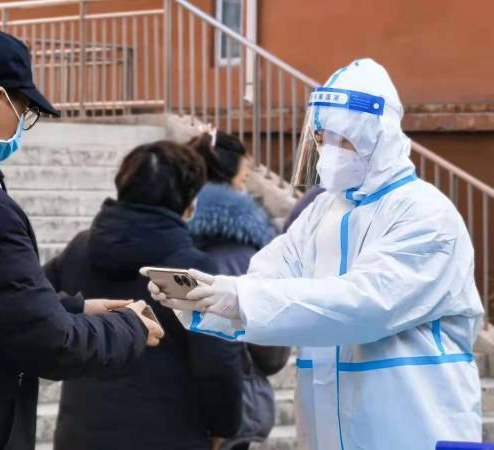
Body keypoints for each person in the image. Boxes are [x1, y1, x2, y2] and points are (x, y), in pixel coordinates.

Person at [147, 59, 483, 450]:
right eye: (322, 139)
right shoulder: (323, 212)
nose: (329, 151)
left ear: (382, 137)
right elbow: (271, 274)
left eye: (344, 140)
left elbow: (366, 303)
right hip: (329, 434)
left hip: (415, 431)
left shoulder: (426, 215)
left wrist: (243, 298)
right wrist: (212, 299)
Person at [0, 26, 162, 450]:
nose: (23, 124)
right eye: (24, 111)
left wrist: (76, 307)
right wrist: (128, 328)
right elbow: (49, 344)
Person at [45, 140, 244, 450]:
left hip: (79, 432)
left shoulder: (79, 250)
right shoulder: (186, 270)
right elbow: (216, 362)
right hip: (168, 434)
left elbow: (37, 308)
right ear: (188, 202)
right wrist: (224, 426)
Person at [187, 131, 290, 450]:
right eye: (244, 176)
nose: (245, 185)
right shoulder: (254, 260)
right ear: (233, 180)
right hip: (237, 410)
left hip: (172, 407)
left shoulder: (173, 250)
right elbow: (271, 355)